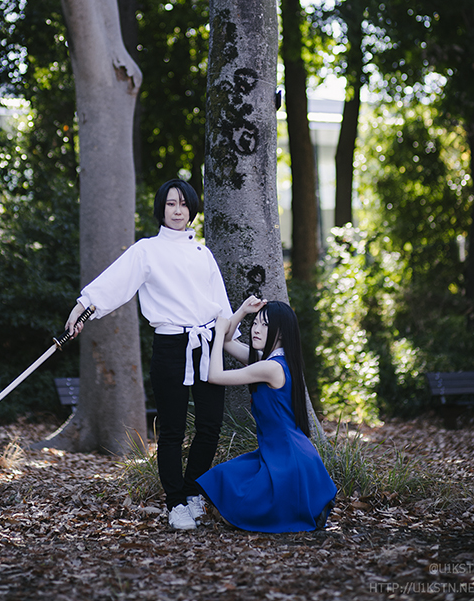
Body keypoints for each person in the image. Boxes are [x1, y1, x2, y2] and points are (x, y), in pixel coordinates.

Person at [65, 178, 238, 532]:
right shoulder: (146, 250)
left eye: (184, 204)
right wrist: (83, 308)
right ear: (161, 208)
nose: (178, 210)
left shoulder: (203, 253)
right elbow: (115, 283)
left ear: (192, 209)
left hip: (207, 344)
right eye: (171, 204)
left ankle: (193, 493)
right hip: (171, 346)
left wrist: (241, 342)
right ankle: (175, 503)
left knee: (210, 426)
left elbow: (222, 309)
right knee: (172, 430)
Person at [196, 298, 337, 532]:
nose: (256, 329)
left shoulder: (270, 368)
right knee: (223, 478)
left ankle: (307, 507)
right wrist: (242, 311)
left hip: (287, 457)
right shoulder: (272, 362)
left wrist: (218, 332)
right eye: (255, 323)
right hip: (278, 452)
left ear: (281, 333)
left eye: (265, 325)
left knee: (234, 499)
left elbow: (215, 376)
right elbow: (230, 342)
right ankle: (307, 506)